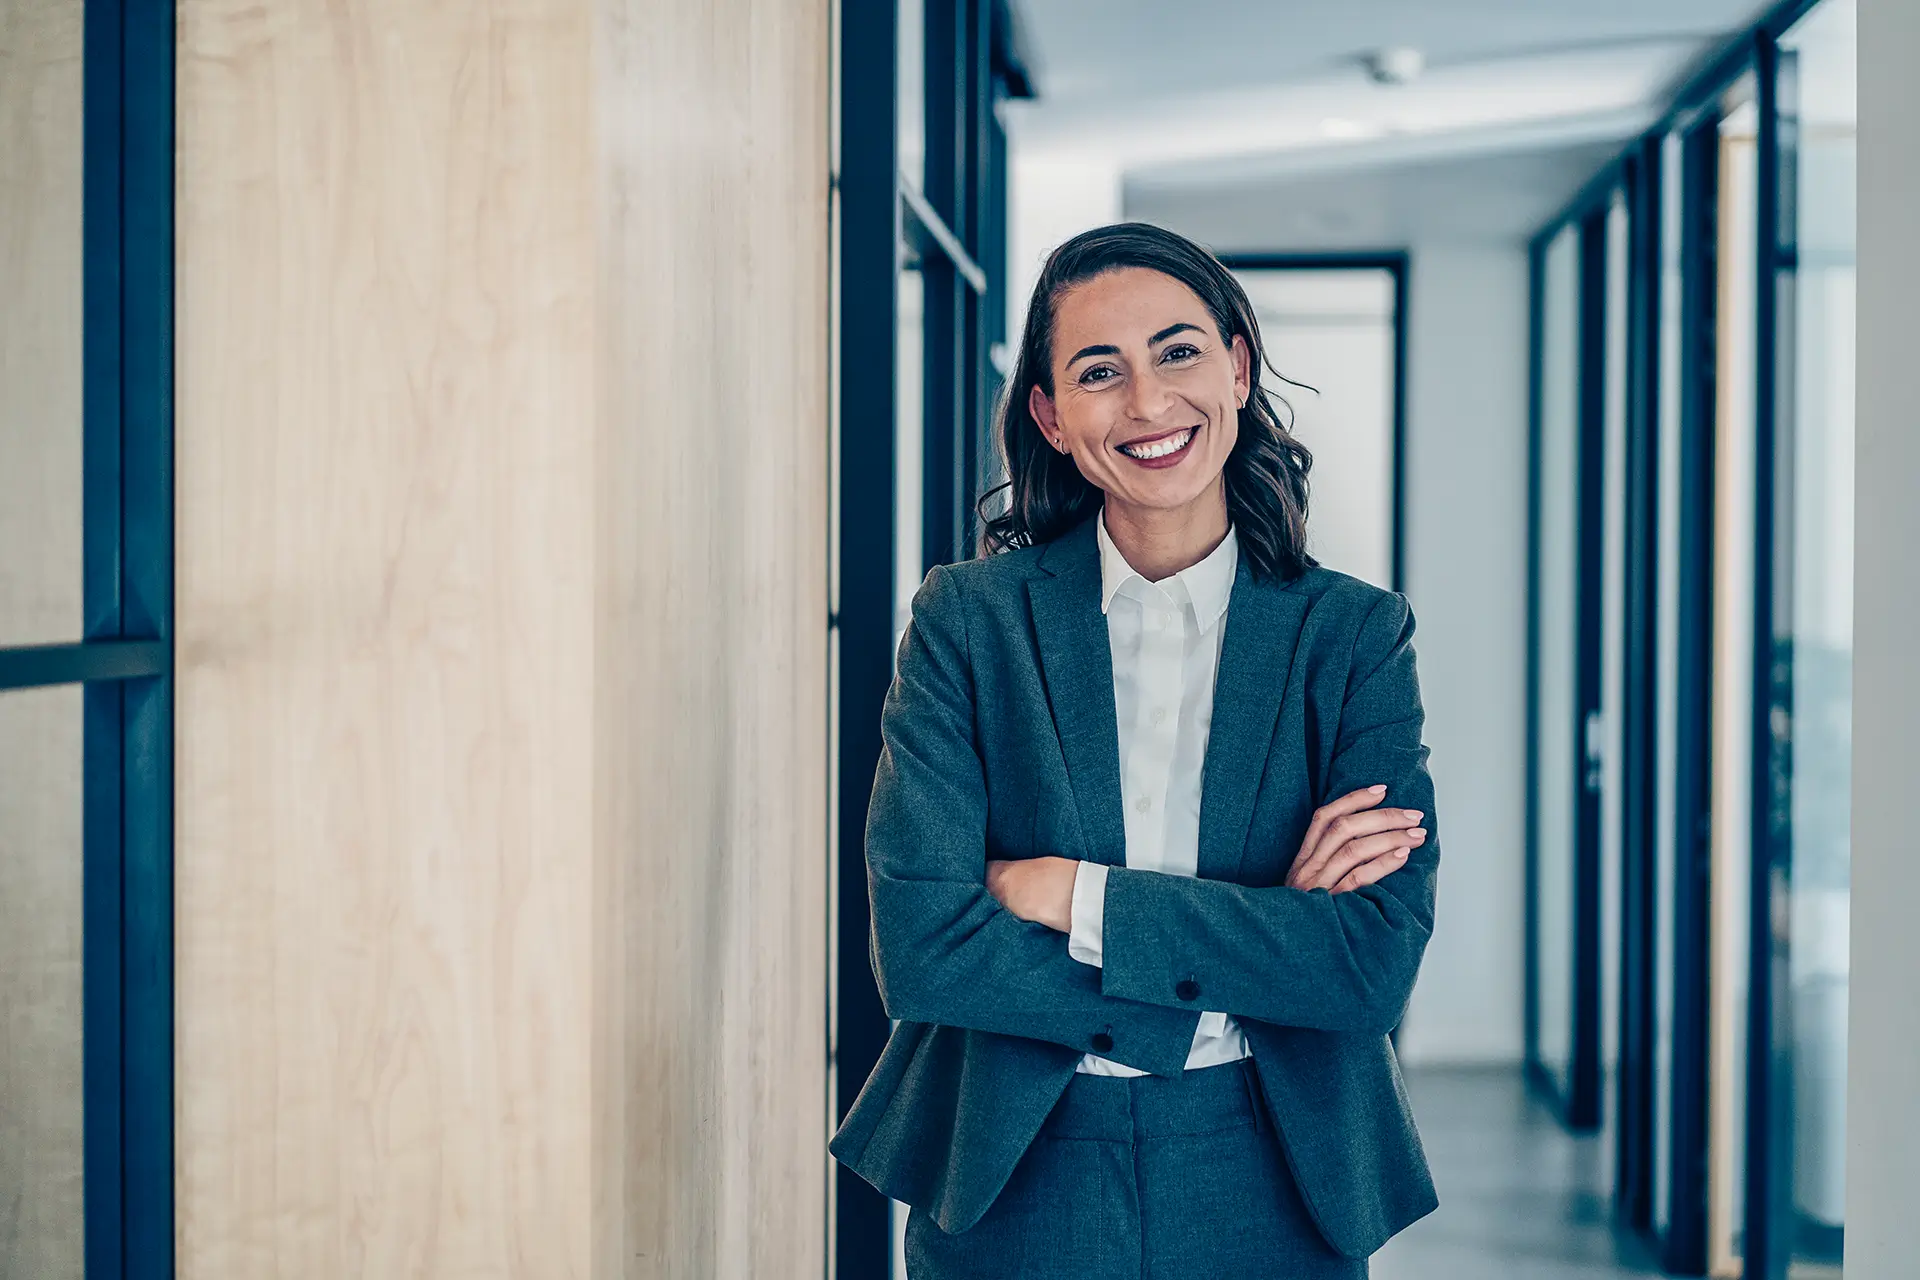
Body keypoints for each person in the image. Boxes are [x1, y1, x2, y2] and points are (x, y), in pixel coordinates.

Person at [829, 222, 1440, 1277]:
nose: (1150, 403)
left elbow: (1368, 964)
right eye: (1099, 371)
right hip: (1018, 1163)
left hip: (1271, 1165)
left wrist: (1069, 891)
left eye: (1179, 351)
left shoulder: (1352, 638)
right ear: (1052, 417)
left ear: (1238, 368)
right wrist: (1262, 932)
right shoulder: (968, 623)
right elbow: (926, 945)